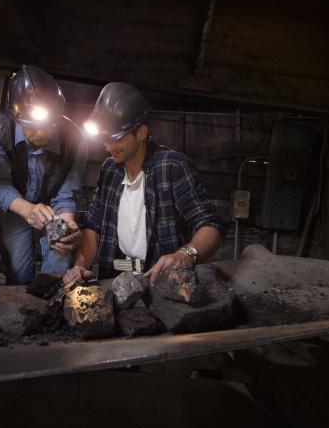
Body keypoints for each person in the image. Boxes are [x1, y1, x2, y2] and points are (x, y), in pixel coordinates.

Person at [65, 83, 226, 285]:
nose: (108, 146)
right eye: (105, 139)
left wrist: (187, 254)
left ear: (141, 132)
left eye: (117, 138)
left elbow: (211, 224)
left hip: (159, 279)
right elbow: (94, 224)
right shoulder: (109, 170)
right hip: (116, 276)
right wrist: (81, 265)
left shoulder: (172, 167)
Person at [0, 65, 87, 285]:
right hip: (14, 208)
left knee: (56, 272)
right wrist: (28, 210)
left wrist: (69, 229)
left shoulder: (75, 139)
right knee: (17, 274)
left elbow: (66, 195)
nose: (42, 133)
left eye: (49, 126)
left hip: (54, 210)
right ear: (16, 118)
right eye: (33, 127)